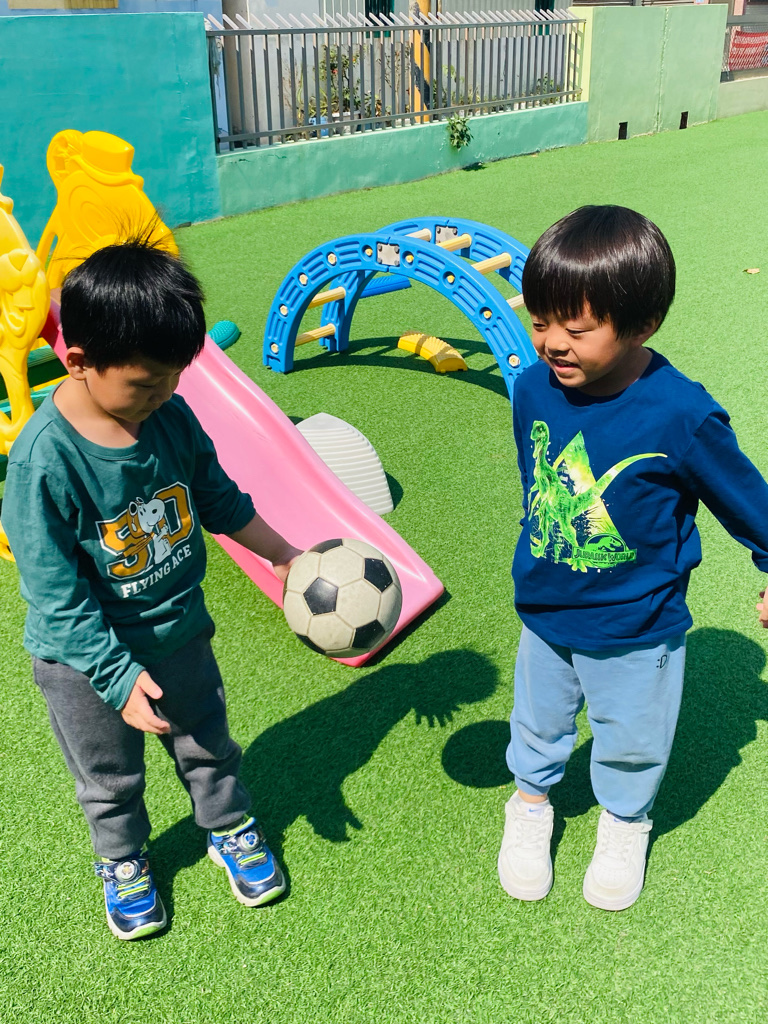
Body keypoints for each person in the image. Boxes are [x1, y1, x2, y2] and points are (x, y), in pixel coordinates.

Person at [2, 238, 301, 940]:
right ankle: (124, 861)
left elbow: (218, 498)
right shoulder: (44, 460)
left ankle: (228, 826)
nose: (162, 396)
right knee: (109, 777)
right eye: (144, 385)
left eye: (173, 379)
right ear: (78, 361)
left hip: (178, 632)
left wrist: (283, 554)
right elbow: (55, 596)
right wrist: (115, 675)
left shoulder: (169, 416)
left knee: (208, 743)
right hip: (84, 663)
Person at [497, 205, 768, 911]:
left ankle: (624, 821)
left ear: (642, 324)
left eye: (576, 329)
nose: (552, 343)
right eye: (540, 322)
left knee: (632, 738)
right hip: (546, 609)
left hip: (639, 623)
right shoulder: (531, 388)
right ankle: (529, 803)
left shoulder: (681, 415)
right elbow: (538, 479)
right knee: (537, 724)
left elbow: (749, 502)